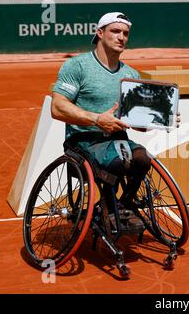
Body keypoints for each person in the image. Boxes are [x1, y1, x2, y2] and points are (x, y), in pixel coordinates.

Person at [51, 12, 155, 232]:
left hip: (117, 140)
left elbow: (138, 123)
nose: (121, 37)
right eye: (115, 31)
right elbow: (57, 107)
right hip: (83, 142)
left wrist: (161, 118)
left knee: (143, 159)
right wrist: (97, 119)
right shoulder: (77, 66)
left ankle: (122, 204)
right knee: (116, 161)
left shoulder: (131, 74)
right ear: (100, 33)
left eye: (125, 33)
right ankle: (108, 209)